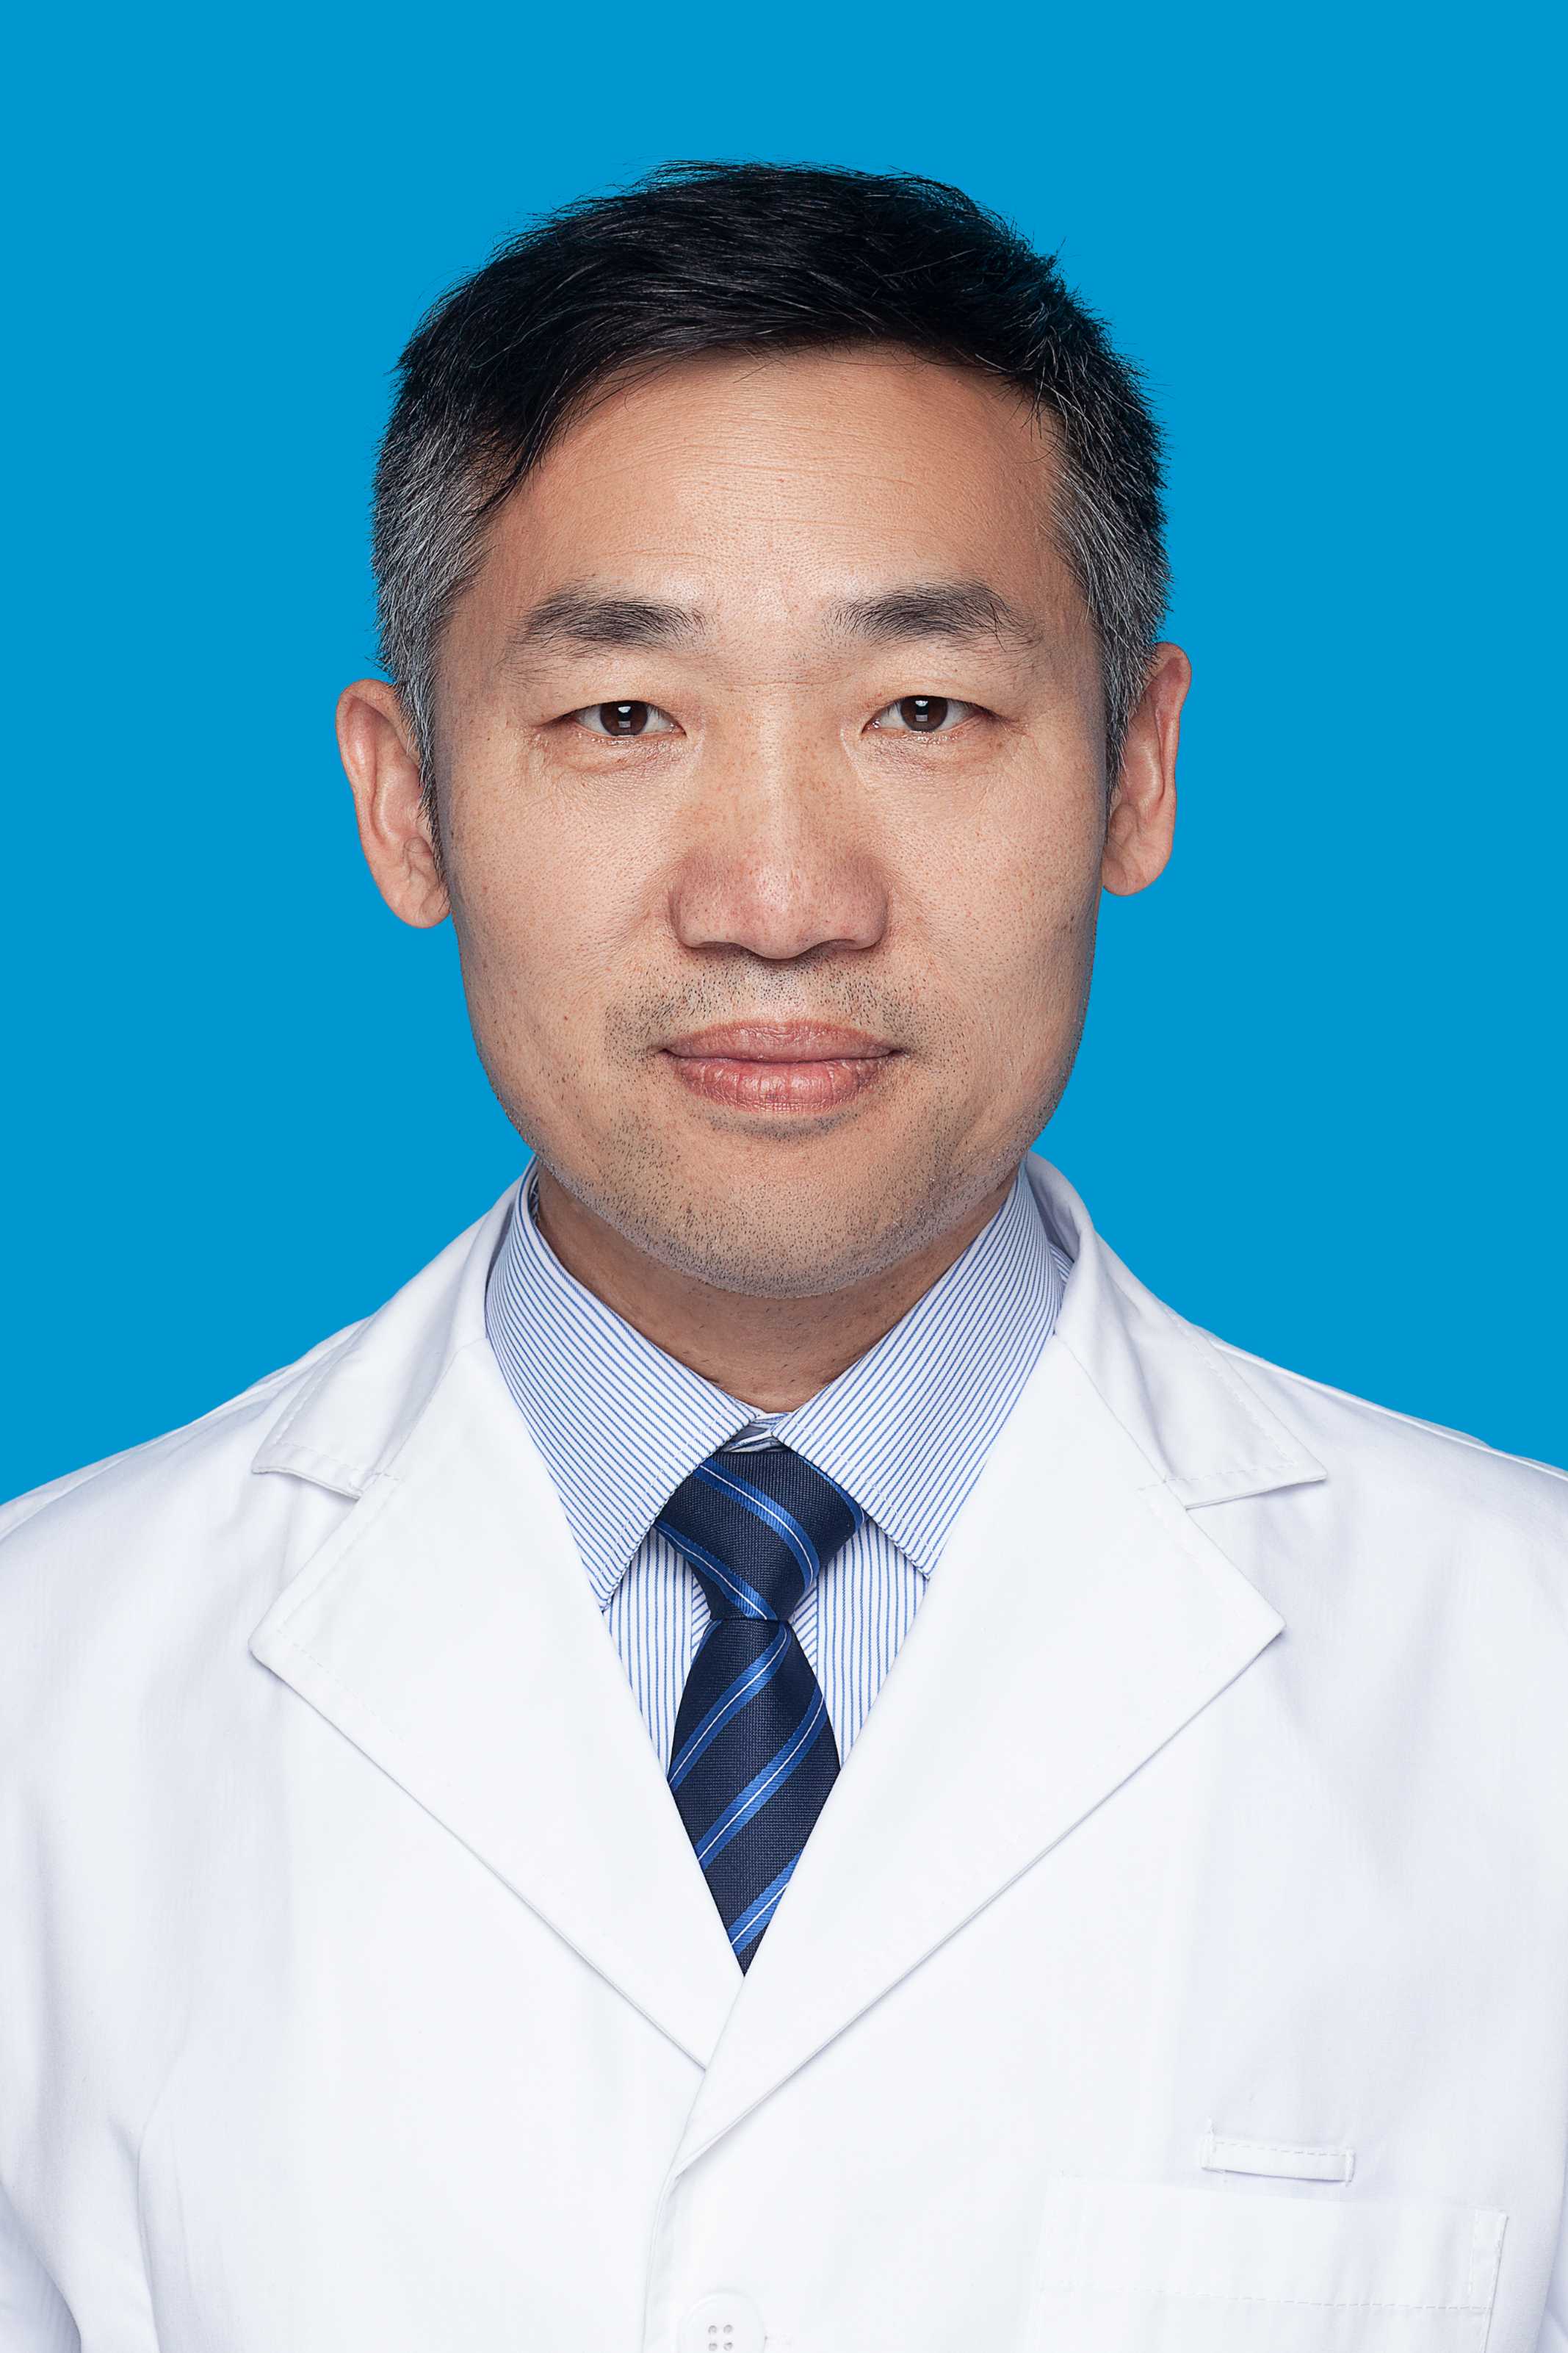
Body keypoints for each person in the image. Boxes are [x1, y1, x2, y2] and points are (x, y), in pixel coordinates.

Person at [1, 159, 1564, 2353]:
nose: (778, 897)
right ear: (405, 803)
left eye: (922, 709)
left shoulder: (1523, 1681)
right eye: (623, 716)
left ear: (1138, 771)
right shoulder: (43, 1699)